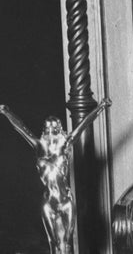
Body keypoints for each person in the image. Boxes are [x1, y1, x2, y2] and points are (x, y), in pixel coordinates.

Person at [0, 99, 110, 254]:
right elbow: (21, 128)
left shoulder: (65, 143)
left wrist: (100, 107)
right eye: (48, 129)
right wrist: (6, 111)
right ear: (44, 130)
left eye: (54, 129)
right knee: (53, 243)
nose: (51, 133)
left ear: (59, 129)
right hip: (48, 202)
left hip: (65, 201)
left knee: (67, 241)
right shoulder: (39, 145)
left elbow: (83, 124)